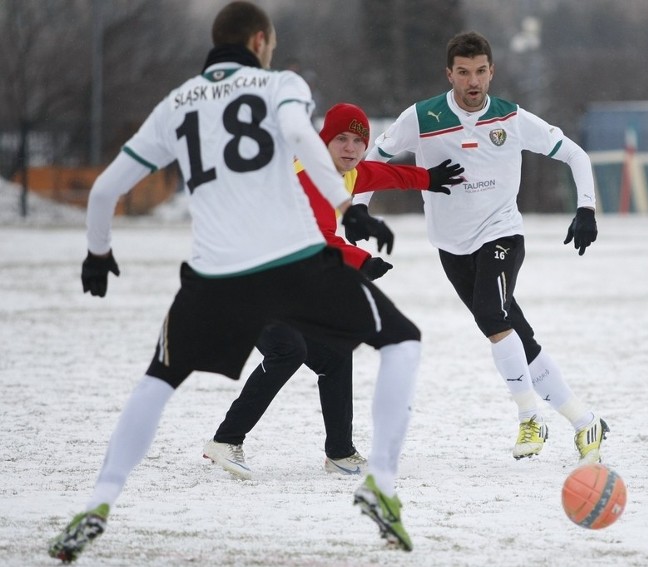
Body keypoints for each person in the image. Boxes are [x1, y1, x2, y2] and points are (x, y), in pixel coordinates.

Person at [48, 3, 418, 560]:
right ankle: (381, 488)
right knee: (402, 340)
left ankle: (99, 501)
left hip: (213, 273)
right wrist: (350, 206)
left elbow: (103, 192)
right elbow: (299, 132)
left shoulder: (175, 103)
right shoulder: (281, 84)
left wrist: (97, 253)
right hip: (291, 264)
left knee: (158, 378)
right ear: (260, 41)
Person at [350, 31, 607, 464]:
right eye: (464, 72)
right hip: (451, 247)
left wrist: (586, 208)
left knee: (491, 315)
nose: (474, 82)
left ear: (492, 72)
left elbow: (576, 155)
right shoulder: (421, 117)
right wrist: (357, 211)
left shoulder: (511, 118)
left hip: (502, 233)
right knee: (515, 335)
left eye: (481, 71)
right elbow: (372, 164)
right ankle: (585, 422)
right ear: (449, 73)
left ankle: (530, 416)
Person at [202, 102, 463, 479]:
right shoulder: (308, 175)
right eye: (341, 138)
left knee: (335, 353)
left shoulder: (348, 174)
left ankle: (340, 453)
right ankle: (226, 441)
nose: (351, 148)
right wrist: (363, 261)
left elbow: (386, 174)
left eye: (359, 140)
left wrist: (428, 178)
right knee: (287, 349)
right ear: (324, 140)